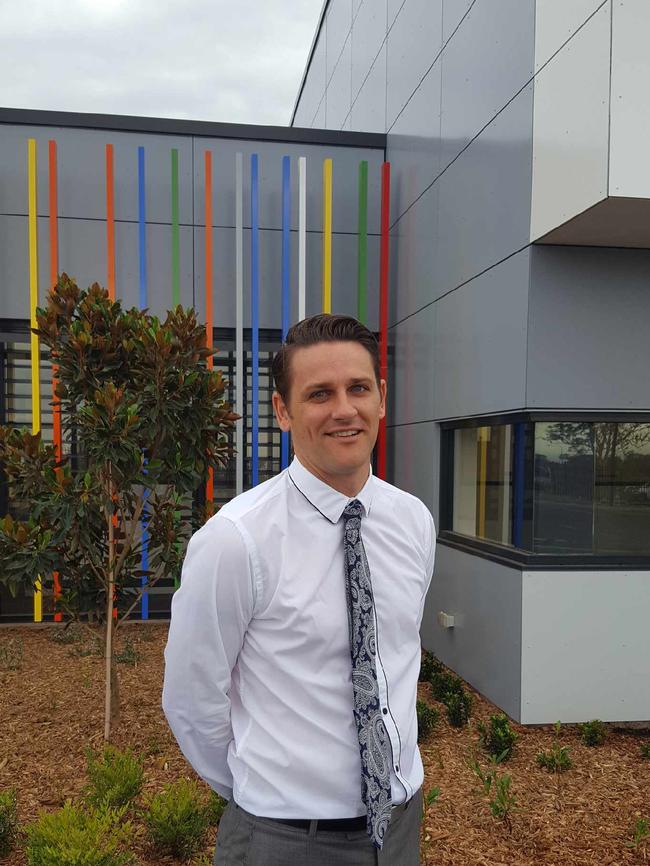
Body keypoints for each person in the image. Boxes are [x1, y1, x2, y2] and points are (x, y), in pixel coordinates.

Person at [162, 313, 436, 865]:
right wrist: (265, 797)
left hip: (401, 830)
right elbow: (191, 700)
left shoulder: (413, 521)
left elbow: (397, 657)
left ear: (381, 399)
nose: (344, 409)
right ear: (283, 411)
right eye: (319, 394)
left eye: (359, 388)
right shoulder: (235, 542)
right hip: (285, 841)